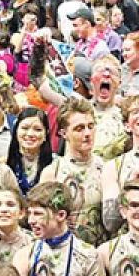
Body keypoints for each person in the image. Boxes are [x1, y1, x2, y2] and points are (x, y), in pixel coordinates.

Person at [13, 181, 108, 276]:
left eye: (38, 214)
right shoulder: (24, 254)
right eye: (30, 213)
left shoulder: (88, 255)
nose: (30, 221)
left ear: (61, 215)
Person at [39, 97, 107, 246]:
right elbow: (43, 221)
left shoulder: (106, 169)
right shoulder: (52, 173)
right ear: (63, 133)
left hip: (99, 250)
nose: (87, 133)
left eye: (91, 126)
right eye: (79, 128)